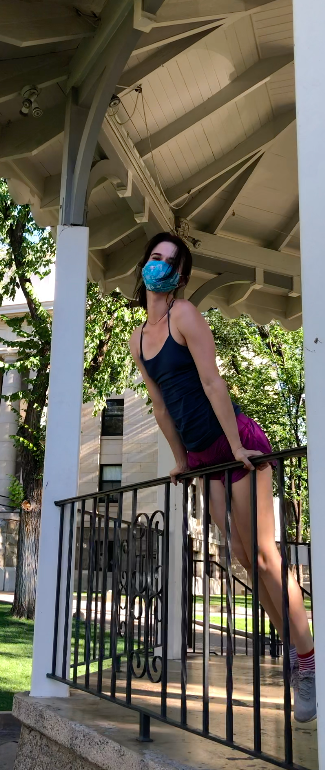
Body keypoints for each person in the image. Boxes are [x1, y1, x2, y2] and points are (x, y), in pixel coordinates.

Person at [129, 232, 315, 723]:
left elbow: (213, 381)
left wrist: (235, 446)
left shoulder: (184, 315)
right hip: (203, 456)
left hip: (237, 443)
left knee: (265, 556)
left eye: (170, 262)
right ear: (144, 265)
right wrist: (181, 459)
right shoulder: (137, 340)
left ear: (179, 276)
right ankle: (298, 654)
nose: (160, 266)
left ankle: (309, 660)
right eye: (155, 257)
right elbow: (161, 405)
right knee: (239, 558)